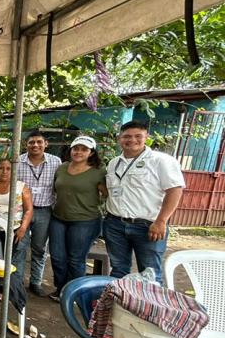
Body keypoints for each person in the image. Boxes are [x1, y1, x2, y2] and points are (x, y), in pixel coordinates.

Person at [103, 121, 185, 283]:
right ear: (119, 138)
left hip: (148, 226)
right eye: (127, 136)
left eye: (138, 136)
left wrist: (161, 221)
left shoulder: (161, 160)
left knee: (150, 274)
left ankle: (150, 307)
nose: (132, 140)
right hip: (115, 224)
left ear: (146, 137)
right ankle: (119, 306)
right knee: (119, 269)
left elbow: (175, 190)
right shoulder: (114, 163)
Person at [47, 136, 107, 301]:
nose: (78, 152)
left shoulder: (99, 171)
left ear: (91, 152)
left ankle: (75, 294)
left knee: (76, 259)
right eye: (76, 148)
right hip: (58, 218)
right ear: (71, 150)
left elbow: (108, 194)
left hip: (85, 220)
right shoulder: (62, 167)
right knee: (57, 256)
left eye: (84, 149)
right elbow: (55, 189)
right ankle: (61, 289)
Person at [17, 130, 62, 296]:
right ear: (26, 145)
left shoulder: (55, 162)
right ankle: (17, 280)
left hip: (44, 211)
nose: (35, 145)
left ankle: (35, 282)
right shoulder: (18, 161)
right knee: (19, 246)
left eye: (39, 142)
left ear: (45, 144)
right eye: (31, 142)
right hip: (21, 211)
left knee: (39, 248)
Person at [0, 159, 33, 278]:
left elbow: (29, 209)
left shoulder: (21, 186)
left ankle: (6, 289)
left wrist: (23, 228)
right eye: (0, 168)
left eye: (8, 169)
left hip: (14, 229)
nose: (4, 171)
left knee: (10, 259)